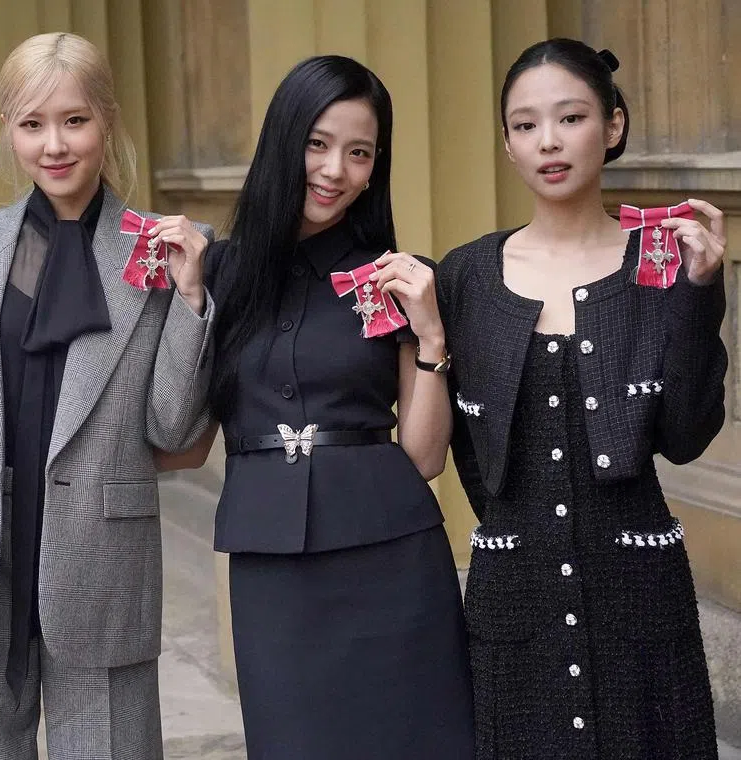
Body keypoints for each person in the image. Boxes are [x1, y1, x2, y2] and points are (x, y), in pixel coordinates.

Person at [0, 32, 214, 759]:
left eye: (75, 120)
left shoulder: (166, 249)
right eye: (32, 123)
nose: (54, 145)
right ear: (6, 128)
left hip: (103, 561)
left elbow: (171, 426)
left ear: (107, 119)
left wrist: (192, 297)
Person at [437, 38, 728, 759]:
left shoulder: (658, 262)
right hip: (515, 593)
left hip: (638, 591)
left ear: (614, 126)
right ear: (507, 143)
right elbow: (468, 454)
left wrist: (699, 293)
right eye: (526, 125)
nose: (549, 142)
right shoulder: (468, 276)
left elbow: (688, 433)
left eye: (570, 118)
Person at [192, 55, 474, 759]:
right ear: (284, 139)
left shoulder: (393, 281)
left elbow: (425, 457)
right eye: (317, 143)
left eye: (359, 153)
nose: (334, 170)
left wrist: (433, 334)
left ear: (375, 168)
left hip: (393, 557)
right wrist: (189, 303)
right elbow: (178, 430)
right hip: (271, 566)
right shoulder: (218, 272)